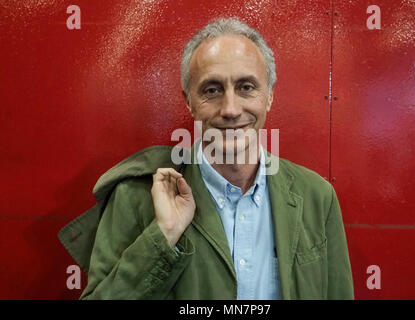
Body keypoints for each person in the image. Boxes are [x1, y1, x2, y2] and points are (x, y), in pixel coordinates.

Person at [58, 17, 354, 300]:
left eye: (246, 87)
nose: (230, 109)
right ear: (189, 102)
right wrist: (163, 237)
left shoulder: (317, 197)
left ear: (269, 96)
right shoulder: (136, 196)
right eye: (212, 90)